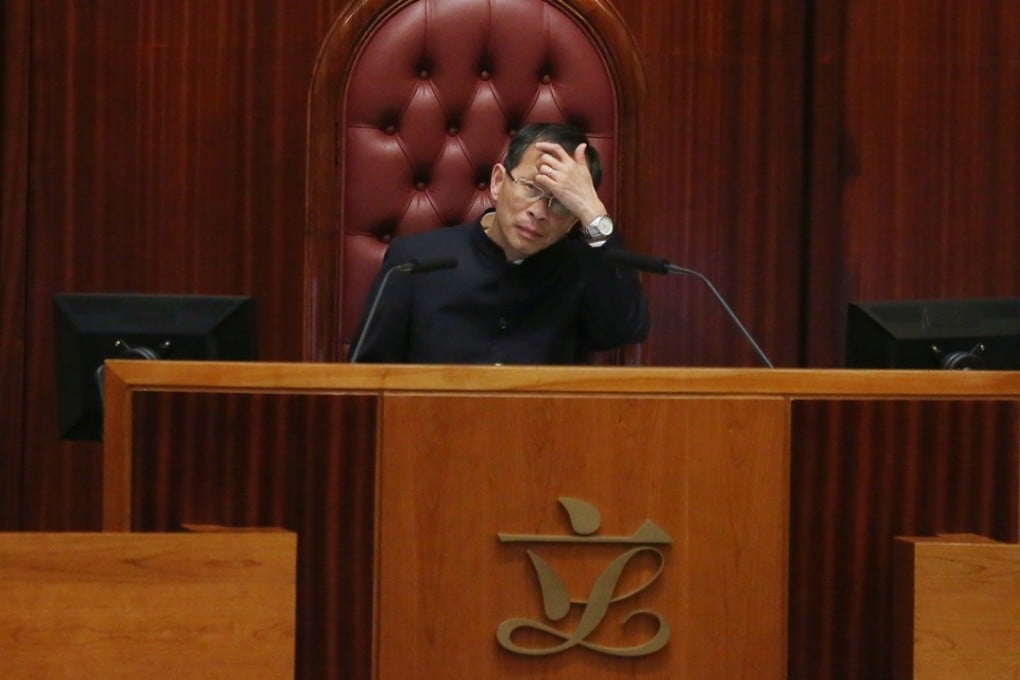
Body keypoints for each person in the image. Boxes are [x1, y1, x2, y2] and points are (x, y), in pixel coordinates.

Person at [350, 122, 649, 364]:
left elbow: (624, 330)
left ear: (574, 220)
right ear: (497, 182)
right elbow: (366, 375)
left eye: (561, 203)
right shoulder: (415, 262)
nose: (539, 212)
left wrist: (593, 212)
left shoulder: (580, 269)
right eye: (531, 188)